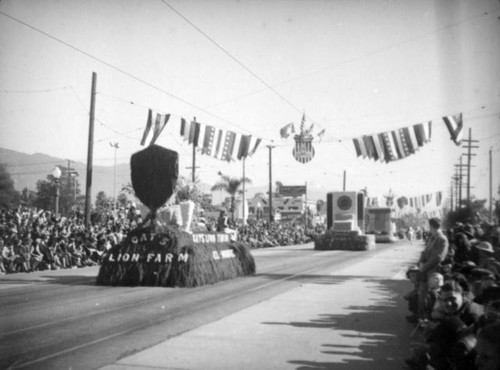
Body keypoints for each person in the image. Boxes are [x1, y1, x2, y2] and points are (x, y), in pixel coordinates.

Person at [417, 218, 449, 319]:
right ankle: (421, 316)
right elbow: (424, 251)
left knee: (432, 296)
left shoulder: (442, 239)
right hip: (425, 270)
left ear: (432, 226)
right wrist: (420, 262)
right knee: (422, 294)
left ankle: (429, 318)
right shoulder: (432, 238)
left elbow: (438, 257)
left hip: (433, 271)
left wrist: (424, 266)